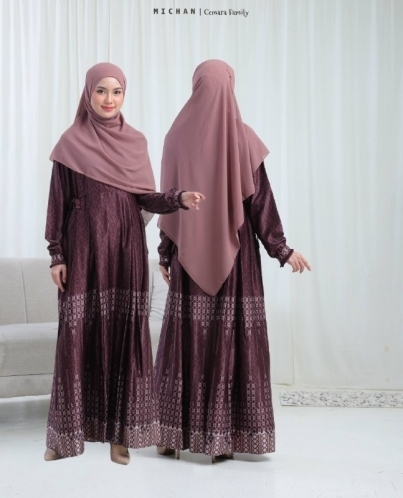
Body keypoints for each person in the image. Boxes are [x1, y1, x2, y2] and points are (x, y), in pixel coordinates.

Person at [44, 62, 204, 465]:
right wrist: (56, 254)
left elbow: (144, 198)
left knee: (124, 338)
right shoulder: (70, 142)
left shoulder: (135, 142)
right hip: (83, 253)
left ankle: (121, 437)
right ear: (88, 94)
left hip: (126, 251)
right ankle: (65, 438)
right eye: (101, 91)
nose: (109, 99)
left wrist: (177, 199)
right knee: (76, 337)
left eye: (117, 92)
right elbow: (57, 201)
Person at [155, 59, 311, 462]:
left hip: (190, 258)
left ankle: (171, 435)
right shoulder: (243, 138)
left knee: (188, 341)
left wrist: (166, 252)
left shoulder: (176, 137)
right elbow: (260, 203)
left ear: (195, 87)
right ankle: (223, 439)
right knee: (230, 338)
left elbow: (170, 203)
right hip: (236, 259)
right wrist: (282, 249)